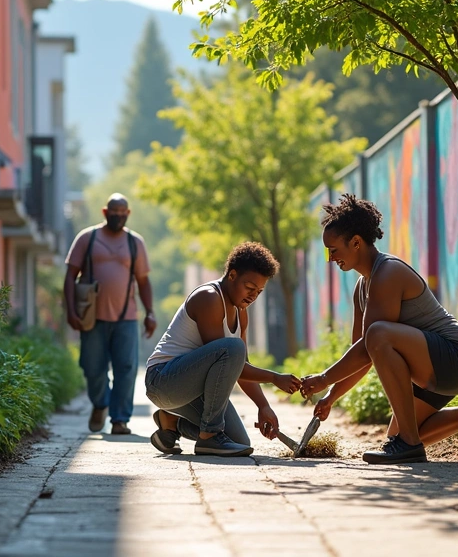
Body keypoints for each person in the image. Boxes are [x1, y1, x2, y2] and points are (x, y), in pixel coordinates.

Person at [299, 194, 458, 464]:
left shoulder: (388, 273)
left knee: (377, 333)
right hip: (429, 369)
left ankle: (410, 445)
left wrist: (324, 378)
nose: (331, 258)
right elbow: (363, 356)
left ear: (356, 242)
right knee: (399, 434)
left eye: (333, 250)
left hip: (454, 358)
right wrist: (331, 396)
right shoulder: (362, 288)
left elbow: (370, 344)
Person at [145, 242, 302, 457]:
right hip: (163, 381)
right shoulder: (209, 297)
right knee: (233, 348)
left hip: (191, 390)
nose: (253, 296)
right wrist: (274, 378)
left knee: (238, 442)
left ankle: (172, 423)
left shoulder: (241, 312)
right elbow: (231, 357)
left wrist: (263, 406)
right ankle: (209, 436)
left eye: (259, 291)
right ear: (232, 275)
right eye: (249, 288)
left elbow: (239, 366)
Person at [63, 194, 156, 435]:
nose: (118, 217)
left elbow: (143, 281)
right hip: (91, 316)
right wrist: (70, 310)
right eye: (114, 213)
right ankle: (101, 403)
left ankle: (119, 420)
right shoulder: (87, 238)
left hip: (127, 317)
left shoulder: (135, 242)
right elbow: (70, 276)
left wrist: (150, 313)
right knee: (92, 367)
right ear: (105, 212)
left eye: (123, 213)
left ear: (128, 214)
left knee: (126, 368)